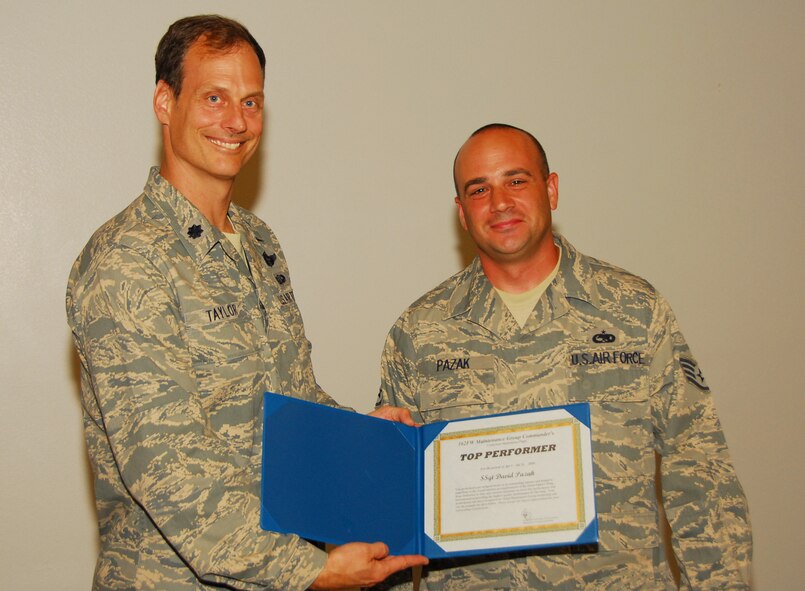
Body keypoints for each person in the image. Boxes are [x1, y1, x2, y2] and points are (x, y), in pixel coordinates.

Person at [66, 14, 426, 591]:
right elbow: (168, 467)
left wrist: (363, 436)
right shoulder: (128, 261)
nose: (236, 121)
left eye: (252, 102)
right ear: (165, 101)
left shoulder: (258, 243)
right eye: (214, 97)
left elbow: (286, 404)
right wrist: (311, 572)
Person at [377, 124, 752, 589]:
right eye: (479, 189)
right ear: (461, 211)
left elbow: (699, 470)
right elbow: (392, 511)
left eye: (516, 181)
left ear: (550, 189)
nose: (499, 203)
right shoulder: (419, 333)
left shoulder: (634, 311)